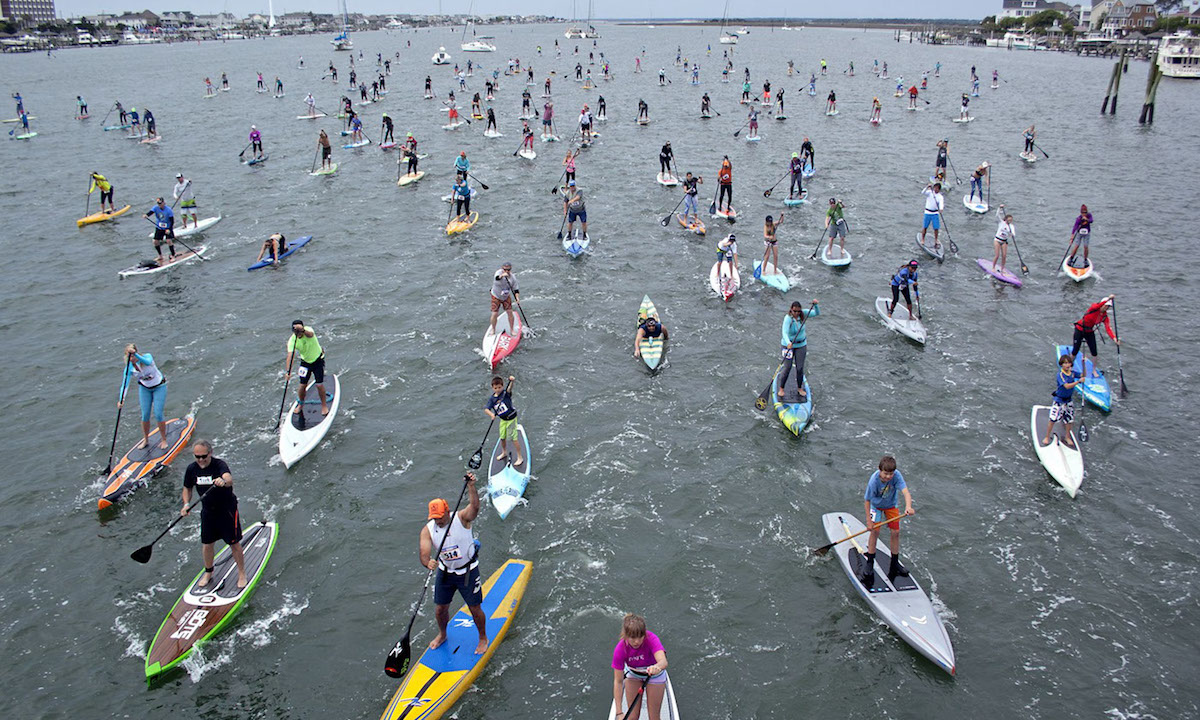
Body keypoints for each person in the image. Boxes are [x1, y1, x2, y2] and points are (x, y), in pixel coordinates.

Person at [421, 472, 487, 654]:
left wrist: (471, 487)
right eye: (434, 518)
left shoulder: (461, 518)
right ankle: (443, 634)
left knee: (475, 609)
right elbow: (424, 552)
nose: (437, 521)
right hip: (446, 572)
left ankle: (482, 638)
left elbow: (475, 507)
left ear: (447, 511)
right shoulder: (428, 530)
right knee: (440, 609)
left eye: (440, 517)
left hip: (468, 571)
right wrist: (428, 562)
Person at [182, 440, 248, 589]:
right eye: (197, 456)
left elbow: (229, 480)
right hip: (208, 511)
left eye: (203, 456)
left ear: (210, 453)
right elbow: (187, 488)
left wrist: (223, 481)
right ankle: (208, 572)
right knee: (207, 544)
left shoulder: (219, 465)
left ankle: (242, 573)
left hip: (227, 510)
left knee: (234, 543)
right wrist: (186, 504)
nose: (200, 460)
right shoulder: (191, 469)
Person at [860, 455, 915, 585]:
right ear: (880, 470)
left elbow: (906, 493)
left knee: (895, 532)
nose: (888, 477)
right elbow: (867, 501)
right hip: (876, 506)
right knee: (875, 532)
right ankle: (870, 563)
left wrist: (908, 507)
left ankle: (895, 564)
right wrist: (869, 521)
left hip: (891, 505)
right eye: (885, 474)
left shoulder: (896, 475)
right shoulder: (873, 481)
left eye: (890, 474)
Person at [611, 614, 670, 720]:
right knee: (632, 717)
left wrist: (657, 667)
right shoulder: (620, 649)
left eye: (640, 636)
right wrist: (619, 712)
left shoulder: (651, 638)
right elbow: (618, 681)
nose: (637, 641)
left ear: (644, 634)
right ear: (626, 635)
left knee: (654, 717)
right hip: (633, 675)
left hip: (654, 675)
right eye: (633, 637)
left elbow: (663, 661)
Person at [119, 343, 170, 450]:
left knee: (158, 414)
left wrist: (135, 354)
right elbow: (125, 384)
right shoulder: (129, 368)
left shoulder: (147, 358)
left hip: (159, 387)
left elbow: (146, 361)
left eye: (133, 356)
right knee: (145, 415)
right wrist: (121, 400)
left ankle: (164, 440)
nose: (132, 359)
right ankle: (146, 440)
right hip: (145, 389)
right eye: (129, 357)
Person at [285, 320, 330, 417]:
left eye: (299, 331)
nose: (298, 334)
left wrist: (303, 330)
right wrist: (288, 372)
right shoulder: (292, 341)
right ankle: (301, 404)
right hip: (305, 363)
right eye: (296, 332)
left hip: (318, 361)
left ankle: (324, 405)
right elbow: (290, 356)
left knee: (319, 385)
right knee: (302, 386)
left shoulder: (308, 330)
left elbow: (310, 334)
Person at [779, 300, 819, 399]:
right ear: (791, 310)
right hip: (788, 345)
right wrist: (788, 342)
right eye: (794, 311)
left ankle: (799, 388)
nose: (796, 313)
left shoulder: (804, 314)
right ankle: (781, 388)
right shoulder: (788, 318)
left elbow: (817, 313)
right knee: (787, 367)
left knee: (800, 368)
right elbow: (784, 332)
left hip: (801, 345)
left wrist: (816, 305)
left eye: (798, 311)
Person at [1071, 295, 1119, 378]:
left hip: (1089, 331)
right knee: (1075, 350)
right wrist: (1108, 299)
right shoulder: (1094, 308)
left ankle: (1093, 370)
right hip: (1079, 329)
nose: (1106, 308)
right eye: (1106, 306)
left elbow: (1108, 328)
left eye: (1108, 307)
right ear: (1102, 304)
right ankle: (1070, 367)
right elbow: (1098, 305)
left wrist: (1114, 339)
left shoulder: (1104, 316)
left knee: (1094, 352)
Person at [1042, 354, 1083, 449]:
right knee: (1053, 419)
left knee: (1069, 420)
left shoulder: (1072, 373)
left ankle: (1068, 437)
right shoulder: (1060, 375)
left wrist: (1083, 364)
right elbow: (1067, 386)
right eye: (1065, 363)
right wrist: (1078, 382)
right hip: (1059, 400)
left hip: (1068, 400)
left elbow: (1083, 374)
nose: (1067, 365)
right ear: (1061, 365)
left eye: (1069, 362)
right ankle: (1047, 437)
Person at [484, 376, 523, 465]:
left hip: (511, 419)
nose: (498, 389)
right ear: (492, 388)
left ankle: (520, 457)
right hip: (503, 420)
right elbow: (486, 409)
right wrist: (492, 415)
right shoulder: (492, 399)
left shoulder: (505, 394)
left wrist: (512, 381)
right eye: (495, 388)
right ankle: (504, 452)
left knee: (514, 438)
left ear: (502, 386)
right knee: (502, 437)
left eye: (500, 387)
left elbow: (509, 388)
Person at [489, 262, 520, 338]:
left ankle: (512, 330)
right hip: (496, 296)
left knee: (510, 313)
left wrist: (517, 298)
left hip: (505, 297)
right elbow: (497, 278)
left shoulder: (512, 278)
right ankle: (493, 329)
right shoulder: (498, 273)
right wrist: (502, 275)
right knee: (495, 313)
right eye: (505, 269)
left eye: (508, 270)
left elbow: (516, 290)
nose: (506, 271)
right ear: (502, 269)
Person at [144, 197, 176, 265]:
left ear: (164, 203)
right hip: (159, 227)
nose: (160, 205)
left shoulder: (169, 210)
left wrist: (169, 229)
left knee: (168, 241)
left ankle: (173, 255)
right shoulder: (156, 208)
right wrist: (146, 215)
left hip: (167, 227)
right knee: (155, 241)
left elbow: (172, 221)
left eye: (161, 204)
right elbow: (151, 212)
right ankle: (160, 256)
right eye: (158, 204)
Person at [920, 182, 944, 249]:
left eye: (937, 188)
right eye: (935, 187)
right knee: (925, 227)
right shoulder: (930, 193)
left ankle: (936, 240)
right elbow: (923, 192)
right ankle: (922, 239)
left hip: (935, 213)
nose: (935, 189)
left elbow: (941, 204)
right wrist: (927, 187)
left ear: (939, 189)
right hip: (927, 212)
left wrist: (941, 209)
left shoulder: (940, 197)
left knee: (936, 228)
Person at [992, 204, 1015, 273]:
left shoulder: (1011, 226)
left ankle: (1002, 269)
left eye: (1011, 220)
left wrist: (1012, 234)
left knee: (1004, 256)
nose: (1010, 221)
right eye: (1009, 220)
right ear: (1006, 219)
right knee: (997, 255)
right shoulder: (1001, 223)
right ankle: (993, 267)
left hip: (1004, 241)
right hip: (997, 240)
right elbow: (997, 215)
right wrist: (1000, 208)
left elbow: (1013, 233)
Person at [760, 213, 785, 277]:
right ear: (766, 221)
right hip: (768, 242)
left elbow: (781, 221)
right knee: (767, 256)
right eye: (768, 222)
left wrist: (782, 216)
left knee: (776, 256)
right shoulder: (765, 226)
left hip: (774, 242)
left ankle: (775, 270)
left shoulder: (773, 224)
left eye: (770, 222)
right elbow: (765, 235)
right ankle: (763, 270)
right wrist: (769, 237)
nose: (769, 223)